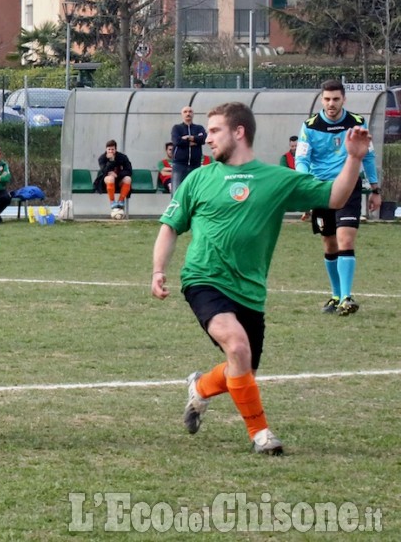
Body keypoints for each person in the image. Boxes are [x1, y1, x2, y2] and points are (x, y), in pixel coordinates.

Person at [151, 102, 370, 455]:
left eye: (216, 130)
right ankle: (261, 434)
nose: (207, 138)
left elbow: (335, 196)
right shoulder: (198, 179)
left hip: (250, 290)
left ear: (239, 132)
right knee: (237, 346)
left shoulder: (275, 180)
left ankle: (201, 387)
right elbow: (169, 227)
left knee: (243, 366)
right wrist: (159, 270)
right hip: (203, 278)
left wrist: (354, 159)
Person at [296, 80, 381, 316]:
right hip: (321, 189)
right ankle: (336, 295)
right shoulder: (310, 126)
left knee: (346, 239)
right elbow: (302, 159)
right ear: (321, 100)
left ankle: (346, 297)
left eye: (335, 99)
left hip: (350, 185)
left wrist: (375, 189)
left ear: (344, 99)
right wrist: (304, 184)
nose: (331, 103)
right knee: (329, 243)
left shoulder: (356, 123)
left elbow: (368, 156)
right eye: (327, 99)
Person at [170, 106, 207, 191]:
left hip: (195, 164)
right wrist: (194, 141)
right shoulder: (177, 128)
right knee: (177, 190)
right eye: (185, 112)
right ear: (182, 114)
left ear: (193, 114)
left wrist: (189, 137)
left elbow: (204, 139)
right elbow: (177, 141)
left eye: (190, 111)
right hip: (179, 165)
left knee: (195, 190)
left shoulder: (199, 128)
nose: (188, 113)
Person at [93, 139, 132, 210]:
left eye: (112, 149)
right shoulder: (102, 158)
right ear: (106, 149)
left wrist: (118, 174)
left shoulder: (123, 157)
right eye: (109, 149)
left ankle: (121, 201)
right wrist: (111, 161)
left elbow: (129, 170)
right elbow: (104, 171)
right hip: (106, 182)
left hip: (119, 180)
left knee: (128, 179)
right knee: (111, 178)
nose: (111, 151)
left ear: (116, 149)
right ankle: (112, 201)